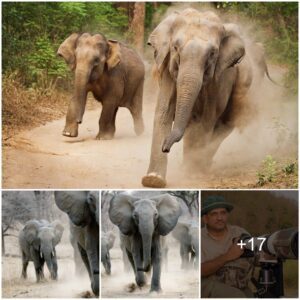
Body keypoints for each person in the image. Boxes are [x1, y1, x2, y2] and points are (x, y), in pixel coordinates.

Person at [201, 195, 254, 298]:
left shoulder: (240, 232)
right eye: (214, 214)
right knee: (236, 296)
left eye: (223, 213)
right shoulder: (198, 237)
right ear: (205, 219)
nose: (220, 218)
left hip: (238, 283)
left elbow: (254, 257)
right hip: (207, 284)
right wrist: (228, 256)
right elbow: (200, 271)